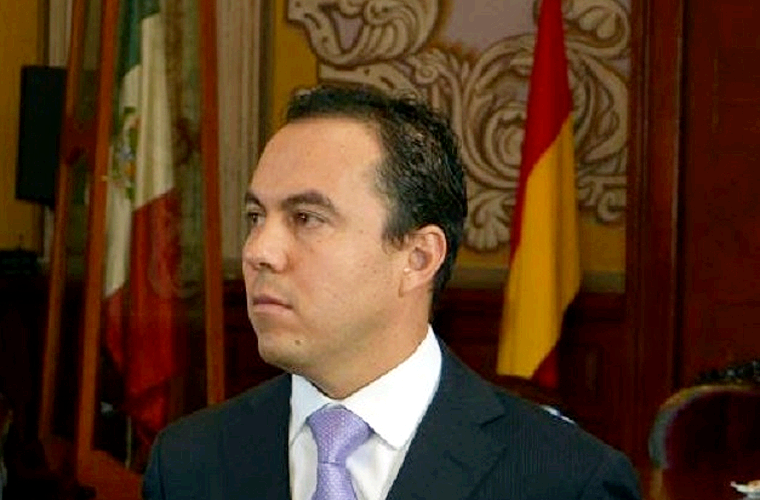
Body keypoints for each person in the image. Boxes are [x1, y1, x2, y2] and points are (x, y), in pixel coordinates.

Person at [143, 84, 641, 500]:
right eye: (256, 216)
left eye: (306, 218)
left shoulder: (565, 481)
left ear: (418, 258)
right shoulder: (188, 463)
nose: (258, 251)